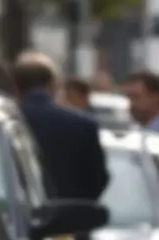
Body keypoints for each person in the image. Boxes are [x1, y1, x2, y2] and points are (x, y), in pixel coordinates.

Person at [13, 52, 108, 202]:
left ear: (16, 87)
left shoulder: (1, 124)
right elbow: (96, 179)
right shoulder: (82, 125)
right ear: (52, 85)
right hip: (68, 218)